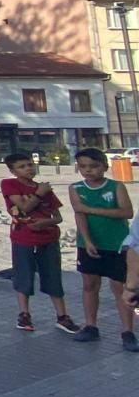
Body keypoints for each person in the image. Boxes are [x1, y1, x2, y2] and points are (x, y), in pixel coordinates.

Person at [66, 147, 135, 349]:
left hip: (116, 243)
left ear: (104, 167)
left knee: (120, 287)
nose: (88, 170)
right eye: (83, 166)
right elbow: (79, 215)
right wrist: (86, 240)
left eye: (94, 166)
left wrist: (90, 209)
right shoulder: (76, 188)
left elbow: (126, 212)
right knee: (89, 285)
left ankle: (127, 331)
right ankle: (90, 326)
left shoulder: (116, 187)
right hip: (89, 244)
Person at [0, 152, 75, 333]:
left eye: (29, 165)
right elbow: (24, 208)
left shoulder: (44, 188)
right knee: (23, 274)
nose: (28, 169)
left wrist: (45, 222)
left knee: (52, 275)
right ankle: (24, 314)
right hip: (23, 237)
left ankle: (62, 315)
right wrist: (39, 194)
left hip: (47, 237)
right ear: (12, 170)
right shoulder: (10, 184)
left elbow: (57, 217)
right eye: (22, 166)